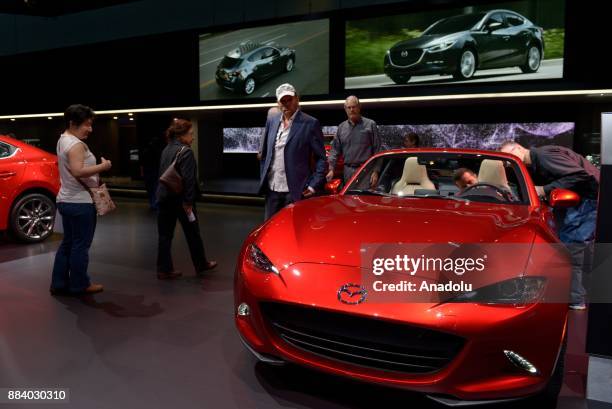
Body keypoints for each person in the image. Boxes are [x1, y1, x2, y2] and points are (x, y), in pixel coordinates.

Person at [500, 141, 600, 310]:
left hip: (585, 202)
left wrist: (544, 190)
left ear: (517, 148)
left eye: (509, 155)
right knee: (575, 249)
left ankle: (576, 300)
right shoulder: (539, 160)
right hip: (578, 203)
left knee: (572, 249)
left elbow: (580, 175)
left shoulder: (544, 156)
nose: (507, 162)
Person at [50, 104, 111, 295]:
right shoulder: (76, 144)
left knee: (68, 242)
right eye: (87, 124)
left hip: (66, 200)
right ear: (73, 123)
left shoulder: (63, 140)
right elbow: (77, 170)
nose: (90, 129)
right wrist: (104, 166)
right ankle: (79, 284)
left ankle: (59, 283)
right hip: (80, 203)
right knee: (80, 245)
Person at [156, 118, 217, 279]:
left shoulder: (166, 149)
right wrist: (189, 202)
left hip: (163, 198)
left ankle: (164, 269)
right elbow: (189, 179)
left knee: (164, 236)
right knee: (193, 234)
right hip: (181, 201)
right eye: (190, 134)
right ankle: (201, 264)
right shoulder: (186, 151)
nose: (193, 137)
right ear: (181, 136)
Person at [259, 83, 326, 220]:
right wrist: (263, 176)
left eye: (289, 99)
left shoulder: (310, 123)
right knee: (269, 230)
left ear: (297, 99)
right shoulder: (272, 121)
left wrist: (313, 185)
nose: (286, 104)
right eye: (282, 101)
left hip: (294, 190)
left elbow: (321, 158)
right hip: (272, 189)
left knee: (293, 230)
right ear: (278, 103)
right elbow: (265, 153)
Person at [326, 96, 381, 186]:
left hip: (366, 171)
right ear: (345, 109)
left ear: (359, 107)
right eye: (349, 107)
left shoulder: (370, 125)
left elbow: (377, 150)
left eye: (354, 107)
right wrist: (331, 169)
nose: (351, 110)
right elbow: (334, 150)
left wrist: (376, 171)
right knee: (348, 199)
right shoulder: (341, 128)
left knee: (364, 199)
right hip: (348, 172)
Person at [140, 135, 165, 210]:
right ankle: (155, 203)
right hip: (155, 171)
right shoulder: (158, 151)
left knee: (149, 188)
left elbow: (142, 163)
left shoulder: (145, 151)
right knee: (155, 187)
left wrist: (142, 173)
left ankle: (152, 203)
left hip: (147, 171)